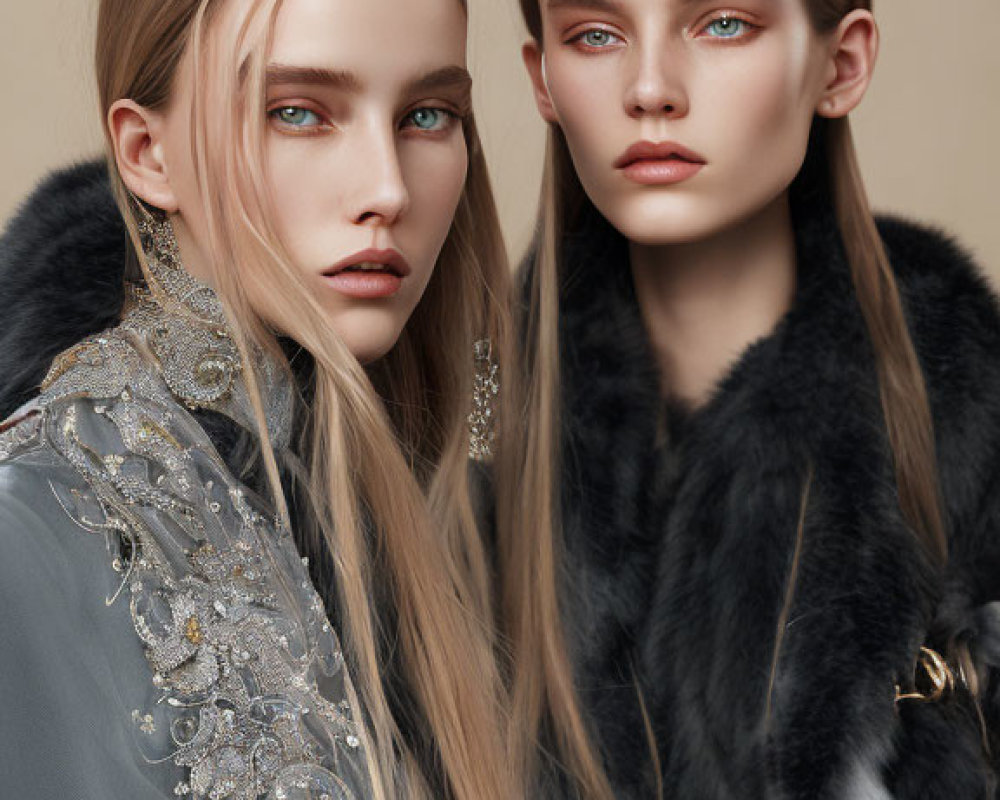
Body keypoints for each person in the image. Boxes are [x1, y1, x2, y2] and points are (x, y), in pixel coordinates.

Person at [0, 0, 518, 797]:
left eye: (427, 114)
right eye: (299, 113)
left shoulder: (456, 505)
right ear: (148, 153)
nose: (388, 188)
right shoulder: (33, 517)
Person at [499, 0, 1000, 797]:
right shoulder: (451, 464)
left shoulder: (976, 437)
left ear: (842, 64)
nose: (651, 88)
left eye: (723, 22)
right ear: (545, 81)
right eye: (596, 34)